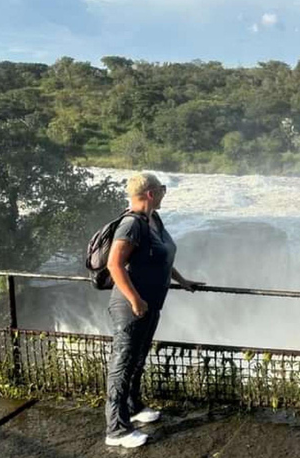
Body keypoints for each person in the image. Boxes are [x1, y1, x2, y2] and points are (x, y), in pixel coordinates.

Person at [104, 172, 204, 448]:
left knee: (137, 358)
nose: (164, 193)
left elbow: (160, 257)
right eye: (162, 189)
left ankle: (134, 407)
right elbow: (114, 265)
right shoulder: (131, 225)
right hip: (130, 306)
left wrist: (182, 281)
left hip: (150, 303)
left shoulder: (153, 220)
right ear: (150, 193)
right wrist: (135, 300)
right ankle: (116, 430)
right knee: (122, 364)